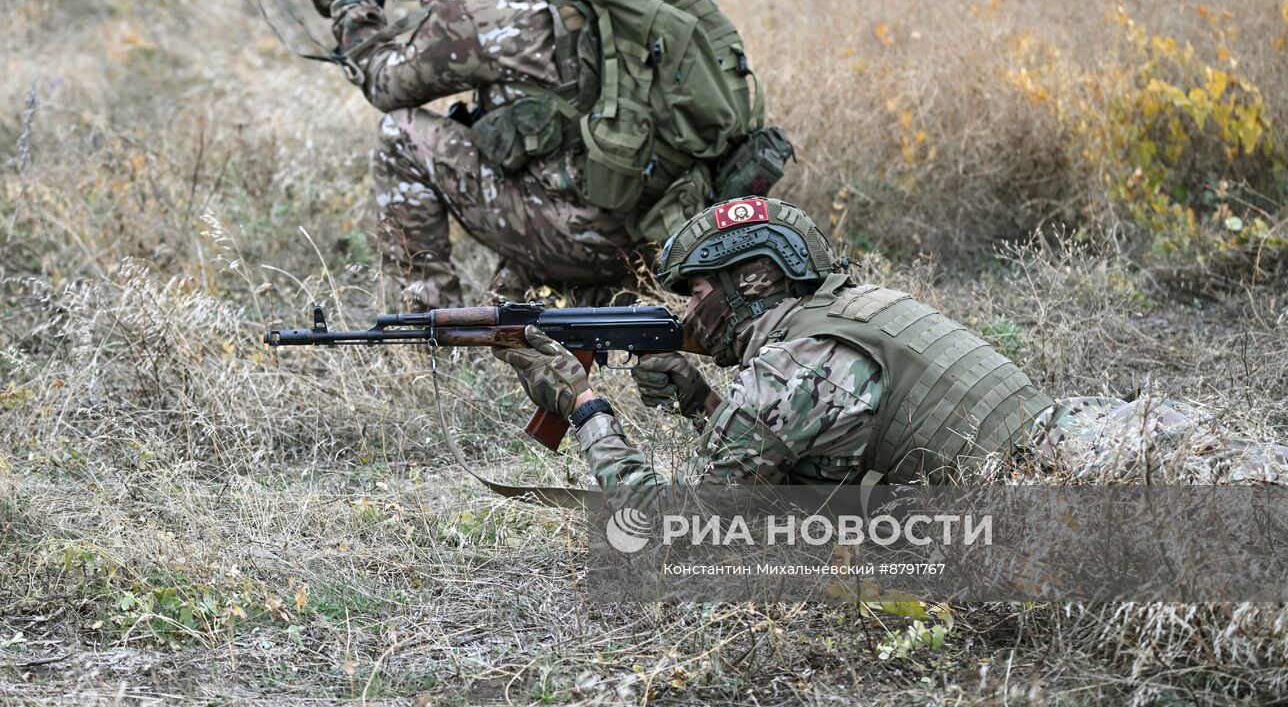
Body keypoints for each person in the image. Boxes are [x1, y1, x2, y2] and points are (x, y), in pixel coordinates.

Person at [493, 197, 1288, 506]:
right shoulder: (858, 311)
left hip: (1082, 488)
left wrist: (586, 405)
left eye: (696, 290)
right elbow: (801, 453)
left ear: (756, 277)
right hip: (1105, 437)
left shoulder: (794, 365)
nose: (687, 310)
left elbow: (679, 529)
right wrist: (704, 400)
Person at [301, 0, 635, 310]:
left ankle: (427, 324)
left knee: (401, 133)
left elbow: (387, 85)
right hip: (647, 235)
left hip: (574, 239)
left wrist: (350, 7)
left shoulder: (481, 2)